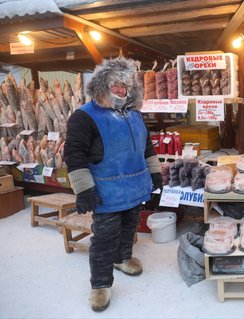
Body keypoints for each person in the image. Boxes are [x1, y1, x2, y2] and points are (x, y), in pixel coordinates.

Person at [64, 57, 163, 312]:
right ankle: (100, 285)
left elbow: (147, 147)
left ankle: (122, 258)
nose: (121, 90)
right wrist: (84, 188)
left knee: (130, 227)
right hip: (106, 192)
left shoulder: (134, 114)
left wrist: (154, 174)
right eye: (116, 84)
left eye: (125, 86)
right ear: (102, 85)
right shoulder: (85, 116)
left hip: (134, 188)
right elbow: (74, 154)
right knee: (105, 238)